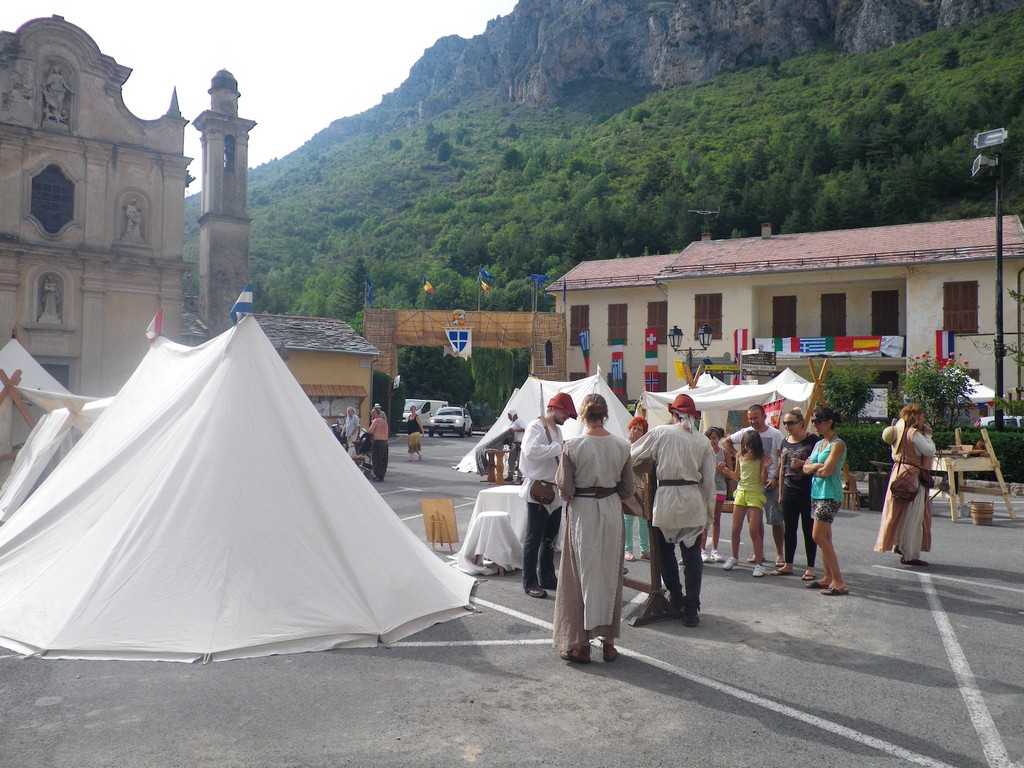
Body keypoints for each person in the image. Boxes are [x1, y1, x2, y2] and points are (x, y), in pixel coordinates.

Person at [553, 394, 634, 664]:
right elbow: (628, 489)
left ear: (584, 415)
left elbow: (565, 489)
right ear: (605, 415)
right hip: (611, 509)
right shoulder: (622, 445)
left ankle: (581, 646)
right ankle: (609, 644)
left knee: (580, 576)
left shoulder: (572, 445)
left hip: (583, 510)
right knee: (610, 572)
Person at [630, 394, 716, 627]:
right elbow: (709, 483)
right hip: (692, 500)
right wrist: (709, 515)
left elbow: (631, 455)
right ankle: (691, 607)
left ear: (673, 414)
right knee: (692, 555)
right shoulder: (703, 442)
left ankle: (676, 597)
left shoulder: (661, 433)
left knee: (665, 551)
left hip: (667, 499)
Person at [518, 392, 577, 598]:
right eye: (566, 412)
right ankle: (529, 581)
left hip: (554, 490)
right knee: (534, 539)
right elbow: (530, 451)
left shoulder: (557, 431)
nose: (567, 417)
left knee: (550, 539)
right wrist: (557, 447)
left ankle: (547, 576)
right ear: (555, 408)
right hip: (539, 489)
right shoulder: (536, 426)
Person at [875, 403, 935, 567]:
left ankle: (900, 545)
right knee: (914, 515)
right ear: (916, 418)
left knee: (900, 513)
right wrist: (928, 435)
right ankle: (909, 553)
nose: (924, 420)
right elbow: (929, 451)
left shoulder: (898, 433)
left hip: (899, 473)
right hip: (913, 476)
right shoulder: (914, 434)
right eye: (922, 416)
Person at [725, 405, 785, 567]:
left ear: (764, 417)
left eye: (756, 417)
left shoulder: (775, 434)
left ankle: (779, 552)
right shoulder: (746, 432)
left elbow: (783, 457)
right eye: (750, 418)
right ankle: (760, 553)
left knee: (775, 519)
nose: (753, 421)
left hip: (770, 481)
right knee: (755, 523)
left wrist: (775, 478)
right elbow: (726, 441)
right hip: (750, 486)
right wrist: (738, 456)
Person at [803, 406, 849, 596]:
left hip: (829, 494)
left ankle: (839, 581)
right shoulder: (819, 443)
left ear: (829, 422)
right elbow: (806, 468)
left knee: (818, 536)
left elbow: (827, 471)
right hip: (816, 493)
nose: (814, 424)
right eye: (813, 421)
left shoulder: (838, 444)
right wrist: (816, 466)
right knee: (825, 537)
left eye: (818, 421)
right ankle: (828, 576)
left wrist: (812, 467)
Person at [718, 431, 771, 577]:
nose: (747, 448)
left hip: (755, 493)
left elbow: (763, 479)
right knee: (735, 529)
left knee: (754, 529)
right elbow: (737, 476)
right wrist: (725, 470)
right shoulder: (739, 455)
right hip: (741, 492)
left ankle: (759, 564)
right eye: (745, 444)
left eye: (749, 445)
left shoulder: (762, 456)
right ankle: (734, 557)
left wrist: (765, 466)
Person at [774, 409, 819, 580]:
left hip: (808, 490)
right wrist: (780, 493)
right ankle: (788, 563)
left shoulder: (812, 440)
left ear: (801, 423)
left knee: (809, 530)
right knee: (790, 529)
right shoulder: (784, 442)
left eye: (791, 423)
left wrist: (802, 464)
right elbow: (782, 468)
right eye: (785, 423)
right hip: (789, 489)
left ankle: (811, 566)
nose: (787, 426)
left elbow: (818, 462)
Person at [623, 416, 651, 562]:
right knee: (627, 518)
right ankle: (627, 550)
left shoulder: (645, 447)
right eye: (634, 428)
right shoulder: (624, 445)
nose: (635, 431)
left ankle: (644, 550)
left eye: (639, 429)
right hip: (627, 485)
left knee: (643, 518)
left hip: (642, 485)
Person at [700, 427, 727, 563]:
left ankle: (715, 550)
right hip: (706, 489)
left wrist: (723, 469)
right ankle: (702, 550)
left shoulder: (723, 453)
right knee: (704, 520)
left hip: (720, 489)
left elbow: (730, 474)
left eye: (715, 438)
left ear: (718, 439)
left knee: (717, 519)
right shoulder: (703, 452)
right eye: (710, 438)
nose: (712, 441)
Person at [367, 407, 390, 481]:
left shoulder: (376, 421)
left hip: (378, 441)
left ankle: (377, 475)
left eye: (372, 414)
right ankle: (382, 474)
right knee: (383, 459)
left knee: (377, 460)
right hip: (385, 442)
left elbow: (370, 431)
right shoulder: (384, 421)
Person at [505, 410, 526, 481]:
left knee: (519, 461)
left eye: (509, 416)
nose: (508, 417)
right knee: (511, 460)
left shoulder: (519, 421)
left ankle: (519, 477)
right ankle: (510, 475)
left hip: (518, 444)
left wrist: (515, 430)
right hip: (514, 444)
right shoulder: (513, 422)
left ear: (513, 415)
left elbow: (523, 429)